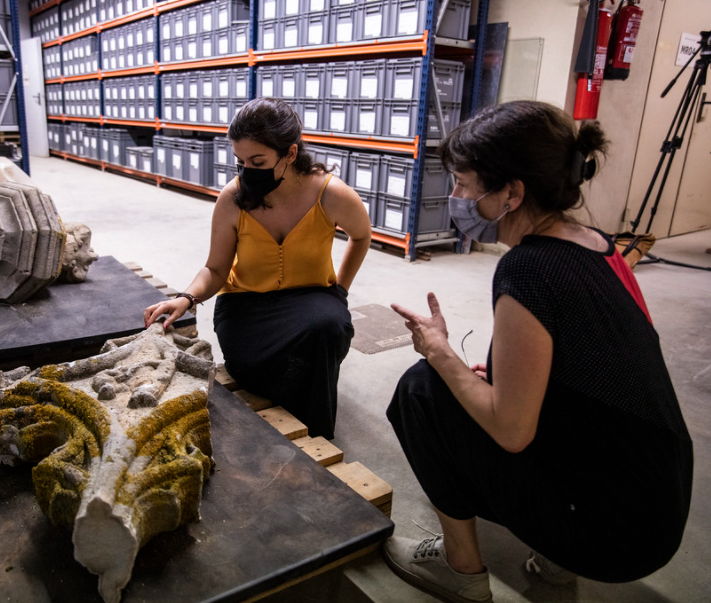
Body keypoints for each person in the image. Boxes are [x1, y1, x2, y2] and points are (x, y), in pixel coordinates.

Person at [383, 101, 693, 603]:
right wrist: (503, 379)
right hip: (657, 507)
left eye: (463, 183)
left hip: (612, 539)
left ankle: (460, 568)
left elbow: (510, 431)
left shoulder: (528, 269)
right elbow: (603, 368)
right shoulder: (599, 245)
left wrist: (440, 352)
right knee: (476, 388)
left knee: (422, 390)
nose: (456, 197)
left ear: (511, 192)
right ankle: (556, 555)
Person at [144, 97, 372, 439]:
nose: (247, 170)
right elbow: (216, 269)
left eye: (258, 161)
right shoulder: (233, 198)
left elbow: (361, 235)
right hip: (245, 305)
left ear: (290, 153)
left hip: (310, 298)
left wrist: (339, 291)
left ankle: (316, 435)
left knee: (329, 326)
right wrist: (186, 297)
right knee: (254, 368)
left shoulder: (330, 194)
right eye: (240, 161)